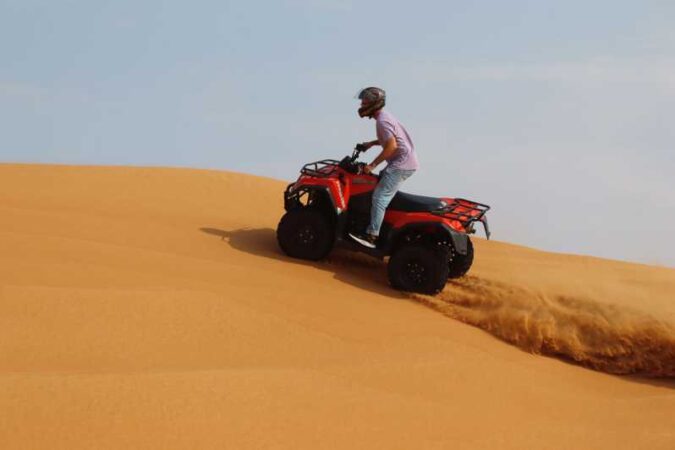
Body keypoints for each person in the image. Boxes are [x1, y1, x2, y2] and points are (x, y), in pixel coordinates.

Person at [349, 87, 419, 248]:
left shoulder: (382, 121)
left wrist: (372, 165)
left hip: (402, 164)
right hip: (403, 162)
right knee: (379, 190)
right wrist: (371, 144)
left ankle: (371, 236)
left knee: (380, 197)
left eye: (365, 101)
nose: (361, 104)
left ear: (374, 103)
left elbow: (391, 146)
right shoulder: (384, 117)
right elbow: (391, 140)